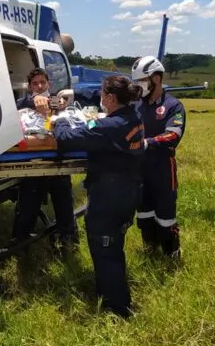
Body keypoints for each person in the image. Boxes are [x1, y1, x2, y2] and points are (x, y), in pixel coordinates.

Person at [50, 75, 145, 317]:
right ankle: (108, 295)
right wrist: (77, 95)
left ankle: (118, 309)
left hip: (108, 198)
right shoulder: (133, 115)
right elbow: (98, 100)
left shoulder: (106, 127)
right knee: (114, 247)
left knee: (105, 250)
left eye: (103, 95)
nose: (100, 97)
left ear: (111, 98)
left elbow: (68, 139)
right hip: (127, 192)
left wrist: (59, 120)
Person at [11, 68, 79, 252]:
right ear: (30, 86)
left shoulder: (59, 101)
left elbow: (73, 116)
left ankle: (69, 239)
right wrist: (31, 100)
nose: (40, 86)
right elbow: (12, 107)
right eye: (35, 83)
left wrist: (59, 104)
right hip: (33, 162)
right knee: (28, 204)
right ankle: (20, 243)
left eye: (43, 82)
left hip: (58, 161)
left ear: (48, 83)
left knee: (64, 201)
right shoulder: (23, 103)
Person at [130, 55, 187, 261]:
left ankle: (172, 255)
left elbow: (174, 135)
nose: (139, 86)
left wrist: (148, 143)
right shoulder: (136, 104)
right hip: (139, 168)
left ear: (156, 78)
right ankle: (150, 249)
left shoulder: (173, 106)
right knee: (144, 214)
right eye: (136, 82)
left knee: (165, 216)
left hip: (163, 169)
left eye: (142, 81)